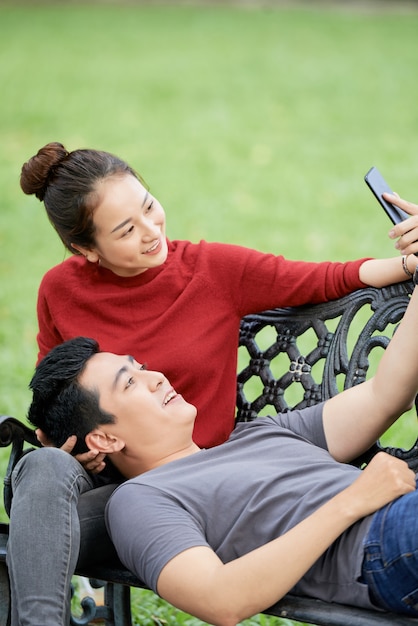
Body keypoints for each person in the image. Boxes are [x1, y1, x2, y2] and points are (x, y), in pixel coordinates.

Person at [7, 140, 418, 626]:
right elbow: (56, 393)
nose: (150, 231)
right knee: (46, 467)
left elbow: (327, 284)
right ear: (85, 249)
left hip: (203, 462)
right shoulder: (60, 290)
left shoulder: (259, 422)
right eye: (125, 229)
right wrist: (73, 443)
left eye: (148, 208)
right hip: (113, 480)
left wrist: (412, 263)